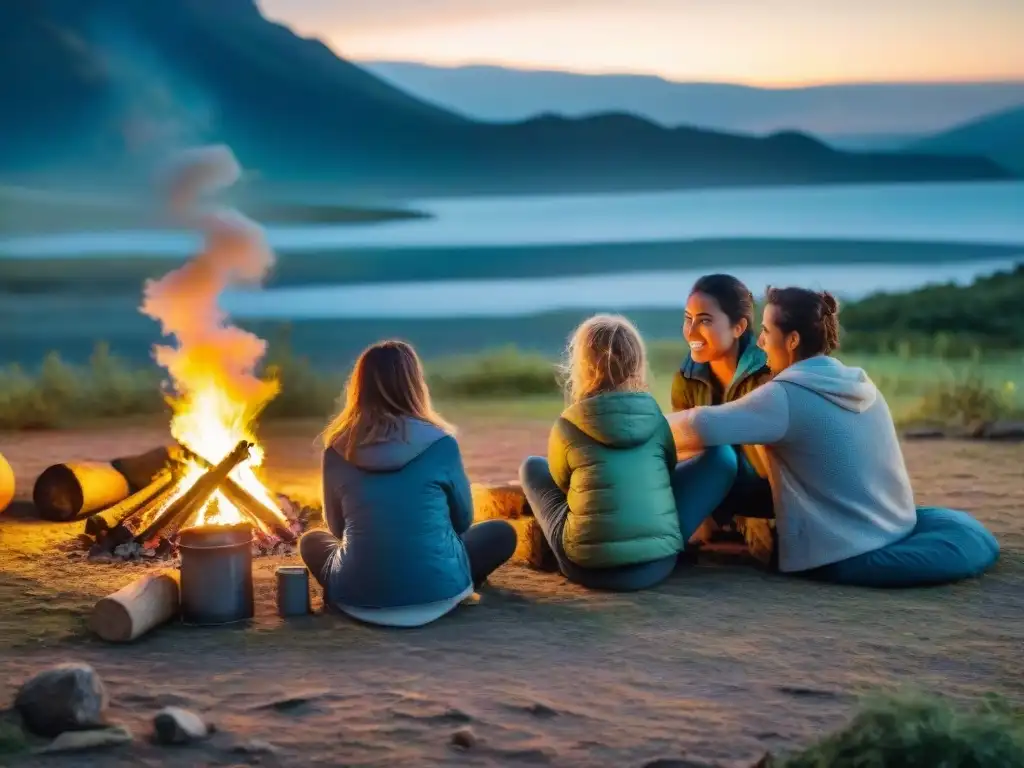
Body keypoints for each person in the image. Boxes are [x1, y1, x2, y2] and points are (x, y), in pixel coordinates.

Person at [667, 287, 1000, 587]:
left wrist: (642, 422)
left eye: (766, 331)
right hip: (885, 525)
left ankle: (663, 544)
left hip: (835, 550)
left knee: (718, 459)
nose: (761, 342)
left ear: (792, 340)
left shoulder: (786, 395)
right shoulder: (854, 381)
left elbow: (700, 425)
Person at [300, 340, 518, 627]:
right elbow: (463, 521)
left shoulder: (337, 449)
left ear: (359, 388)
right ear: (415, 384)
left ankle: (365, 585)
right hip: (439, 594)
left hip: (355, 596)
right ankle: (451, 583)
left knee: (312, 541)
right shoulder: (441, 443)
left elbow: (337, 529)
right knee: (501, 533)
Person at [519, 314, 738, 591]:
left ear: (581, 365)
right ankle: (656, 536)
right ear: (637, 363)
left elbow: (564, 483)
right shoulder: (656, 419)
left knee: (532, 467)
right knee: (723, 457)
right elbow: (668, 470)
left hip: (586, 568)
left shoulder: (567, 425)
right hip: (658, 565)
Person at [672, 274, 776, 550]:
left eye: (705, 321)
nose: (691, 331)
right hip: (712, 489)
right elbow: (683, 451)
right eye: (688, 319)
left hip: (766, 491)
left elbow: (779, 462)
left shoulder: (767, 374)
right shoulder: (687, 377)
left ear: (738, 327)